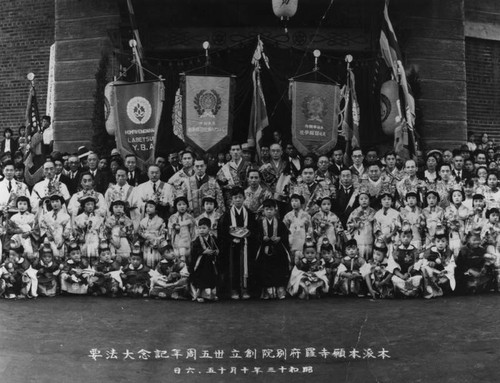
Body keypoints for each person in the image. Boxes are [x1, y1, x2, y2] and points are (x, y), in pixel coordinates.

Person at [218, 186, 255, 300]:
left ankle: (245, 289)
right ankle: (233, 289)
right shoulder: (227, 215)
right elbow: (222, 232)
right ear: (231, 199)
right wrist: (231, 239)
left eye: (240, 197)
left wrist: (247, 235)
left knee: (246, 266)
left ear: (244, 198)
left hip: (246, 245)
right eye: (235, 197)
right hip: (231, 246)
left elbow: (254, 229)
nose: (238, 200)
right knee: (232, 266)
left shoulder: (249, 214)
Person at [255, 199, 291, 300]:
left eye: (271, 209)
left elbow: (285, 235)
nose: (269, 212)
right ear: (263, 211)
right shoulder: (260, 223)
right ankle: (266, 290)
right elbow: (256, 235)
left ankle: (280, 289)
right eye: (267, 209)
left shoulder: (280, 223)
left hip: (278, 249)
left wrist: (280, 238)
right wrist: (262, 238)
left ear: (275, 211)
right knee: (264, 268)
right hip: (264, 249)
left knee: (279, 268)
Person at [190, 217, 220, 302]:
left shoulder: (212, 238)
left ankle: (211, 295)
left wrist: (216, 251)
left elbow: (216, 247)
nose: (201, 230)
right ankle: (199, 295)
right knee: (201, 278)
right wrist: (203, 251)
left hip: (210, 262)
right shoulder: (197, 239)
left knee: (211, 278)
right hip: (201, 263)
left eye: (204, 228)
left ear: (209, 229)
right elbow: (194, 250)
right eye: (199, 228)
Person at [389, 229, 423, 298]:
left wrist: (409, 274)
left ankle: (404, 291)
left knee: (418, 278)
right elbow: (392, 264)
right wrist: (402, 276)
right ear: (400, 237)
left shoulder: (415, 250)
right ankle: (409, 291)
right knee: (394, 279)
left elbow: (417, 263)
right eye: (403, 236)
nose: (406, 238)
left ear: (412, 237)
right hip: (401, 276)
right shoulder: (396, 251)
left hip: (411, 275)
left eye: (408, 236)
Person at [73, 196, 105, 265]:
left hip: (95, 237)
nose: (90, 206)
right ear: (84, 206)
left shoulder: (98, 217)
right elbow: (77, 229)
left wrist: (101, 238)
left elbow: (101, 229)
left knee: (95, 253)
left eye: (92, 204)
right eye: (88, 204)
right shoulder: (79, 218)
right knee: (84, 254)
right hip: (84, 237)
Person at [346, 189, 376, 260]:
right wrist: (354, 226)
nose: (364, 200)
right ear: (358, 201)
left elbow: (376, 225)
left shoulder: (373, 212)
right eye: (361, 199)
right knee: (359, 254)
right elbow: (348, 224)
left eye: (366, 198)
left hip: (369, 236)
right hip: (359, 236)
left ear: (369, 200)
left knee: (369, 253)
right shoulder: (355, 212)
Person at [283, 194, 312, 262]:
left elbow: (310, 229)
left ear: (301, 202)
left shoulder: (306, 215)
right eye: (292, 201)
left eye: (296, 201)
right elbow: (284, 229)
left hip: (302, 240)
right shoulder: (288, 216)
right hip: (291, 240)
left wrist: (309, 241)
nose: (294, 203)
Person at [138, 200, 166, 268]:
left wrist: (155, 241)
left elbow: (163, 233)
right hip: (146, 244)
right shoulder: (143, 221)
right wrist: (144, 240)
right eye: (147, 206)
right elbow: (140, 232)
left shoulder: (160, 220)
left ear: (156, 209)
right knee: (146, 260)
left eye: (151, 207)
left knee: (156, 260)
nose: (148, 208)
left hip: (156, 243)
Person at [168, 196, 196, 264]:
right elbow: (170, 231)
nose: (182, 206)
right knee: (176, 260)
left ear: (187, 206)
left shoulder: (190, 218)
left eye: (184, 204)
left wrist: (192, 241)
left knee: (187, 261)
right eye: (179, 204)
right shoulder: (172, 217)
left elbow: (193, 231)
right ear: (176, 206)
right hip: (176, 242)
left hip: (187, 242)